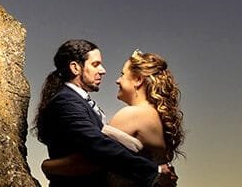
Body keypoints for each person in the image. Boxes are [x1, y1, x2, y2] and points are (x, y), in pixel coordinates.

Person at [33, 40, 177, 186]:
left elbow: (98, 155)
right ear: (75, 68)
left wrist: (47, 166)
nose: (104, 71)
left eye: (122, 74)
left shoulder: (132, 114)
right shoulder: (66, 100)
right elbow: (99, 148)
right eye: (95, 64)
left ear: (139, 80)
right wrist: (155, 171)